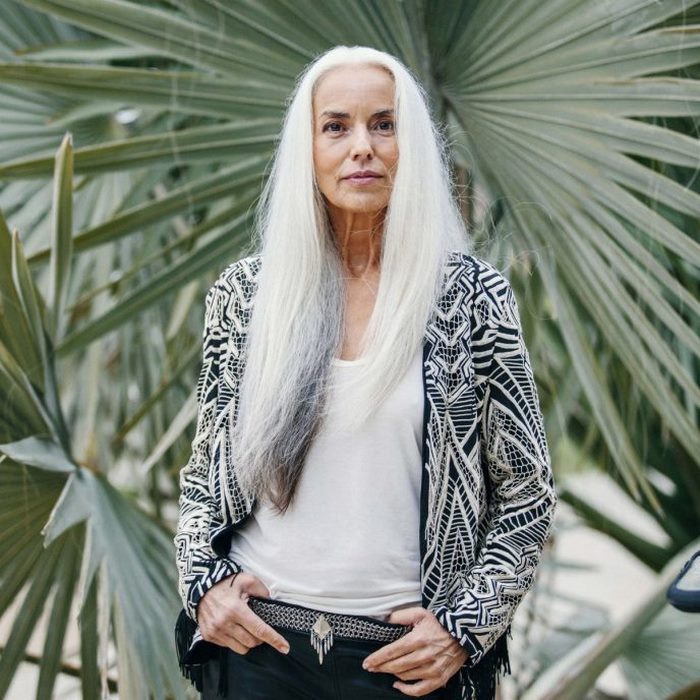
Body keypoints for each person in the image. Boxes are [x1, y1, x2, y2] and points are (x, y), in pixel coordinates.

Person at [174, 45, 557, 700]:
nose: (363, 147)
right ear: (307, 148)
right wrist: (203, 588)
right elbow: (204, 475)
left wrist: (464, 628)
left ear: (412, 146)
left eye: (384, 125)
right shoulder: (246, 295)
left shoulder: (470, 298)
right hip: (259, 651)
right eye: (336, 126)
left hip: (409, 665)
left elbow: (527, 490)